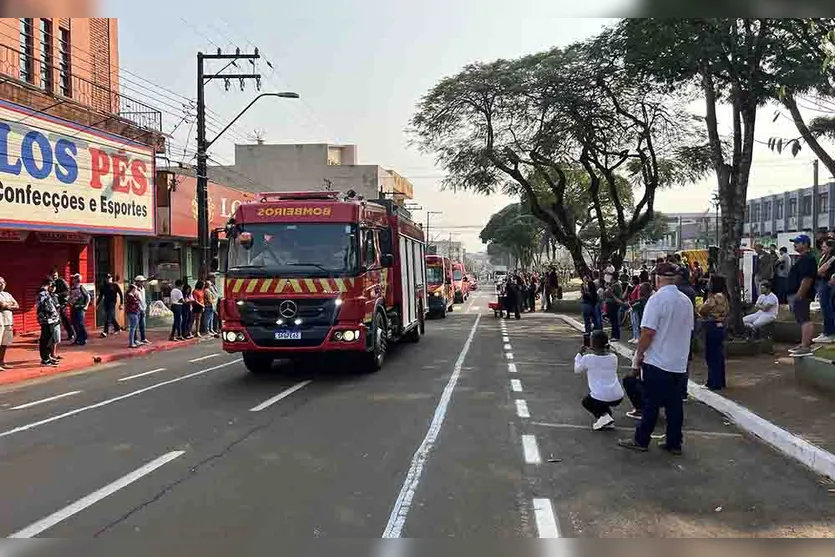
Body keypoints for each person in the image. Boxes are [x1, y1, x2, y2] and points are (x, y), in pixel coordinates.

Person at [618, 262, 693, 455]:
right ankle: (674, 442)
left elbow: (648, 332)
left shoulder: (656, 300)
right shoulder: (685, 301)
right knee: (675, 406)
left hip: (658, 362)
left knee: (651, 404)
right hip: (679, 363)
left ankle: (641, 440)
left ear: (657, 278)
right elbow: (689, 331)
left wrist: (639, 354)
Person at [575, 329, 624, 430]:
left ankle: (604, 417)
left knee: (587, 402)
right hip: (618, 396)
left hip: (601, 396)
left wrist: (579, 354)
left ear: (592, 344)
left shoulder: (588, 358)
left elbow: (577, 369)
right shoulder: (613, 357)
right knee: (601, 399)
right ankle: (608, 420)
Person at [787, 234, 818, 357]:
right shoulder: (803, 258)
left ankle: (806, 346)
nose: (795, 244)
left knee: (804, 319)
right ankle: (803, 344)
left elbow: (807, 279)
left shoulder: (807, 259)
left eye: (797, 242)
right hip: (796, 293)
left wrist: (800, 294)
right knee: (801, 319)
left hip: (801, 294)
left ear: (805, 244)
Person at [698, 275, 729, 391]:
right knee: (718, 354)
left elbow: (702, 310)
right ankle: (720, 381)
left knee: (711, 355)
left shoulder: (714, 298)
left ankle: (713, 382)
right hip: (721, 326)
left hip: (712, 326)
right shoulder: (725, 297)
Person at [814, 238, 835, 344]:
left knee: (827, 308)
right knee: (825, 308)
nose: (823, 248)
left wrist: (818, 272)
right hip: (822, 281)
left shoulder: (832, 257)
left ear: (831, 247)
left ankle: (829, 333)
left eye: (825, 246)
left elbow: (822, 269)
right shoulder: (824, 256)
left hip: (827, 283)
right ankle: (826, 331)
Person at [36, 279, 59, 367]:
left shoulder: (46, 293)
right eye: (51, 284)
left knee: (50, 338)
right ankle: (44, 359)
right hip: (46, 319)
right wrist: (48, 313)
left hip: (51, 319)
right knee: (46, 338)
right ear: (48, 284)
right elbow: (42, 306)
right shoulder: (42, 293)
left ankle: (48, 356)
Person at [0, 276, 19, 371]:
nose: (1, 284)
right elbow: (1, 305)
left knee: (5, 343)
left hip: (8, 321)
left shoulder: (7, 294)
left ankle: (2, 362)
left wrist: (7, 306)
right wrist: (8, 305)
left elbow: (17, 305)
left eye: (2, 282)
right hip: (0, 322)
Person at [50, 268, 74, 343]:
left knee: (64, 317)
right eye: (53, 276)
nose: (54, 277)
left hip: (63, 302)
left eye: (55, 275)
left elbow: (67, 291)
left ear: (58, 274)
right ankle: (55, 335)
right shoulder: (51, 282)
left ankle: (71, 333)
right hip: (55, 302)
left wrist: (58, 295)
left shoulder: (61, 281)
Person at [97, 273, 124, 338]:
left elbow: (120, 294)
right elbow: (101, 296)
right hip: (106, 302)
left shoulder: (115, 285)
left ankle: (105, 332)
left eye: (109, 278)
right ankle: (117, 328)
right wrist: (97, 304)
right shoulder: (103, 286)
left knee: (108, 316)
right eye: (107, 278)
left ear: (111, 278)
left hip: (112, 302)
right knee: (111, 316)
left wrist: (121, 303)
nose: (108, 279)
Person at [68, 273, 90, 346]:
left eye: (74, 279)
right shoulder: (72, 288)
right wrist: (69, 303)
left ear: (77, 280)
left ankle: (84, 338)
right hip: (73, 308)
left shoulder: (81, 287)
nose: (72, 280)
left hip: (80, 308)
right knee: (74, 324)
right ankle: (78, 338)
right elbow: (71, 298)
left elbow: (88, 297)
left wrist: (86, 306)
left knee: (80, 324)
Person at [603, 275, 625, 342]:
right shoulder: (617, 285)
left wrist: (607, 287)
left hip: (614, 304)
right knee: (613, 321)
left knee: (614, 321)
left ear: (613, 279)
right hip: (613, 304)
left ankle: (615, 336)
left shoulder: (615, 286)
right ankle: (614, 335)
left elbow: (607, 293)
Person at [134, 275, 150, 345]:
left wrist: (145, 306)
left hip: (142, 309)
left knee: (142, 325)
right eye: (141, 282)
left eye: (143, 282)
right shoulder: (134, 289)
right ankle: (135, 339)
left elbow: (143, 299)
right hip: (137, 309)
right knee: (135, 325)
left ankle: (143, 338)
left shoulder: (143, 289)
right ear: (137, 282)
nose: (142, 283)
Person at [125, 284, 142, 348]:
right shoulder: (130, 296)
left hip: (132, 312)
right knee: (133, 328)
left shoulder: (130, 295)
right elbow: (137, 302)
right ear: (133, 289)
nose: (136, 290)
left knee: (133, 328)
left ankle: (133, 342)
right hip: (133, 313)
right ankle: (131, 343)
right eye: (135, 289)